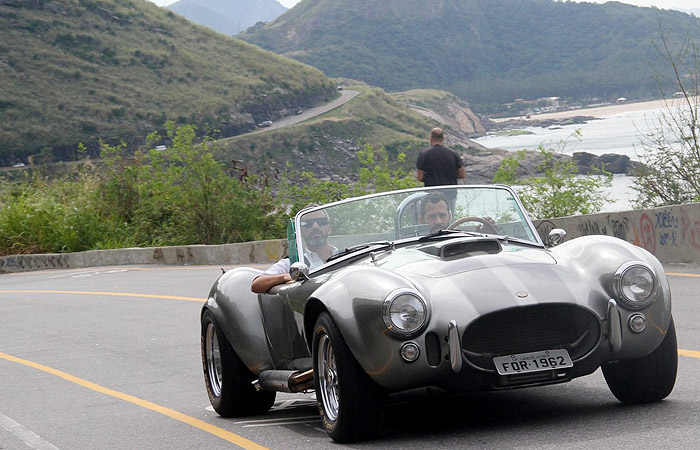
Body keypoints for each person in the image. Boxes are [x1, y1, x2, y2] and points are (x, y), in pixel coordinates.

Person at [251, 208, 337, 293]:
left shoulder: (344, 255)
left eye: (321, 221)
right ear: (301, 232)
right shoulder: (294, 262)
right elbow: (257, 284)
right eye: (308, 224)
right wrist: (287, 276)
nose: (315, 226)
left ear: (328, 228)